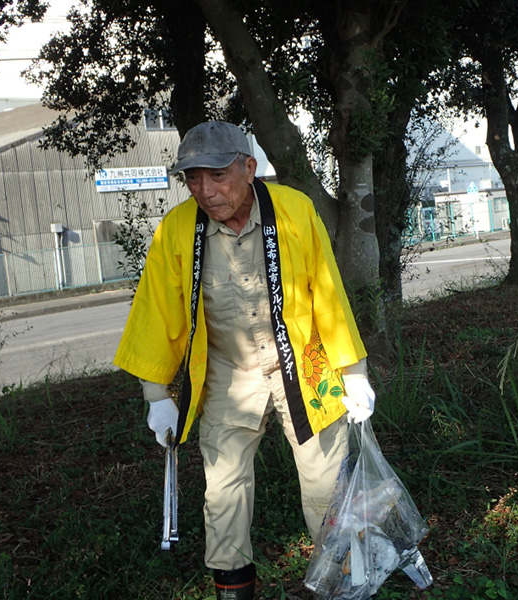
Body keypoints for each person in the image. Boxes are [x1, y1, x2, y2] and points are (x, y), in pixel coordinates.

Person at [114, 121, 375, 599]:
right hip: (227, 375)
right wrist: (156, 394)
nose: (205, 191)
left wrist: (353, 371)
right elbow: (159, 311)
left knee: (325, 489)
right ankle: (235, 592)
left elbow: (327, 295)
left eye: (216, 176)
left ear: (249, 168)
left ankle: (338, 586)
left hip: (304, 367)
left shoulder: (295, 212)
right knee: (224, 495)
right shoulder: (177, 230)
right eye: (193, 178)